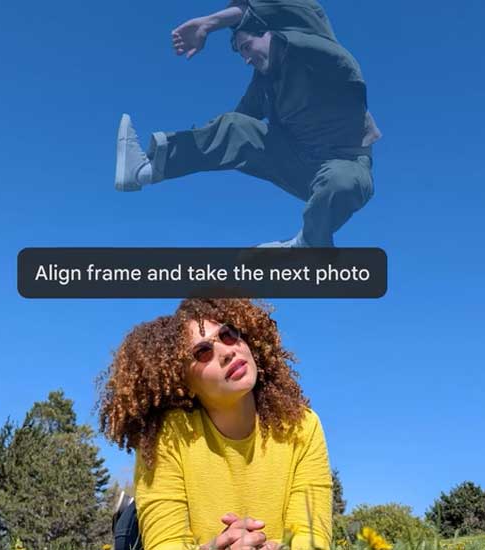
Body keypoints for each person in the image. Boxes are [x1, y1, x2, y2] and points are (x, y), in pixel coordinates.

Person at [114, 1, 381, 247]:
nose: (246, 59)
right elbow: (229, 131)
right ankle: (145, 170)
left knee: (340, 182)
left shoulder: (314, 47)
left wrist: (211, 22)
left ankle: (307, 246)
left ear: (269, 33)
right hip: (300, 166)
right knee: (234, 126)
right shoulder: (263, 85)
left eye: (246, 47)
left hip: (347, 163)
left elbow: (281, 7)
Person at [98, 298, 333, 549]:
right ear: (184, 384)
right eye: (202, 352)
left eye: (228, 334)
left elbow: (313, 538)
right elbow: (166, 543)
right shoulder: (168, 436)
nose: (226, 352)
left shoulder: (302, 426)